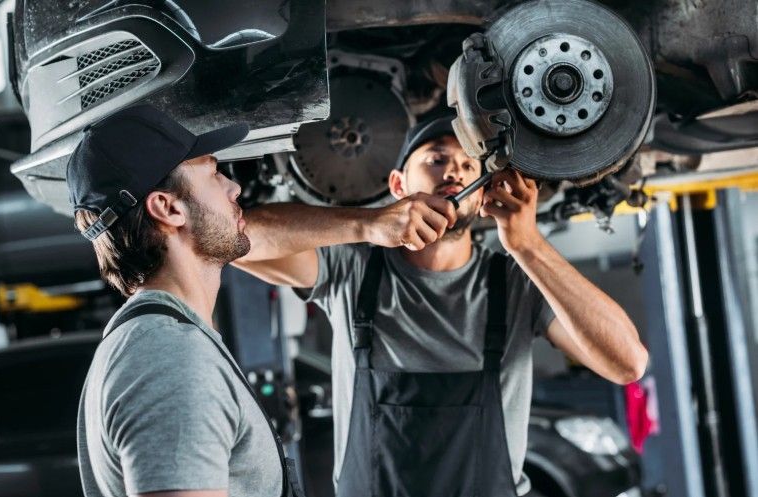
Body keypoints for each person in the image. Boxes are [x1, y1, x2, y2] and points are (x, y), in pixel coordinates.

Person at [233, 114, 648, 496]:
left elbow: (627, 363)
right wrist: (367, 223)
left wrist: (529, 245)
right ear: (398, 185)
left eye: (470, 166)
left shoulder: (516, 285)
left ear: (482, 193)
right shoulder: (353, 270)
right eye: (435, 159)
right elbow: (234, 238)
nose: (454, 171)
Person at [69, 105, 305, 497]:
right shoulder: (168, 358)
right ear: (168, 208)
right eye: (213, 173)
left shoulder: (158, 340)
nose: (234, 187)